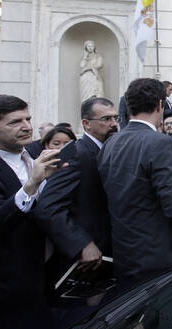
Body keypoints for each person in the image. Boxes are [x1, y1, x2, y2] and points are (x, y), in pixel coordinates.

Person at [98, 78, 172, 282]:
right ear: (160, 104)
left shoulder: (110, 143)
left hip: (124, 253)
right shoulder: (161, 143)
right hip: (163, 258)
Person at [0, 95, 64, 314]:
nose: (26, 127)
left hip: (52, 280)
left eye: (28, 119)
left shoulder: (35, 155)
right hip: (10, 290)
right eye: (15, 122)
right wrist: (31, 185)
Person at [35, 97, 118, 276]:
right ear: (86, 124)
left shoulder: (108, 150)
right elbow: (48, 207)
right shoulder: (75, 154)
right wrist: (81, 244)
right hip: (85, 259)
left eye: (115, 118)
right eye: (106, 119)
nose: (113, 124)